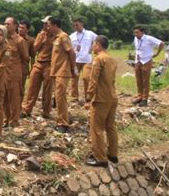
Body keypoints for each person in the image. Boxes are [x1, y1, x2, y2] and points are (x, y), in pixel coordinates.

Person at [84, 35, 118, 167]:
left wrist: (88, 98)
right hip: (112, 97)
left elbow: (94, 80)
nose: (92, 47)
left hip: (101, 98)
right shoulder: (112, 59)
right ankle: (113, 154)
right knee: (110, 127)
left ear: (98, 45)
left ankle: (100, 158)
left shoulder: (98, 59)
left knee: (96, 128)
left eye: (94, 44)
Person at [47, 17, 77, 133]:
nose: (48, 27)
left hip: (62, 71)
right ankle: (60, 120)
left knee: (60, 97)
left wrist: (73, 68)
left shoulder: (63, 37)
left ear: (55, 25)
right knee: (58, 97)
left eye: (49, 25)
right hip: (56, 71)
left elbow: (72, 53)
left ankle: (63, 123)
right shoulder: (56, 38)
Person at [22, 16, 55, 118]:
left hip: (49, 64)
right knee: (32, 87)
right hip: (39, 62)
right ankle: (27, 109)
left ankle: (46, 112)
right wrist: (41, 38)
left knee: (47, 90)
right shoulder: (40, 34)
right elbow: (35, 49)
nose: (44, 26)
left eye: (46, 24)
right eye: (44, 24)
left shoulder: (57, 36)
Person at [3, 17, 29, 127]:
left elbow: (25, 57)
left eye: (8, 24)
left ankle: (14, 121)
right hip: (2, 74)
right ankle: (6, 119)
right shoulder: (2, 39)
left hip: (14, 74)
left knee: (14, 98)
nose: (6, 26)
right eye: (5, 24)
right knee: (4, 98)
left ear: (15, 26)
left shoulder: (19, 41)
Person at [131, 26, 164, 107]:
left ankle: (145, 99)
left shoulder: (149, 38)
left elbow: (161, 43)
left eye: (137, 32)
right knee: (138, 80)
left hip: (146, 61)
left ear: (142, 32)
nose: (135, 34)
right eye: (134, 32)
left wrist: (157, 53)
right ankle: (139, 96)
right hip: (138, 61)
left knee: (145, 80)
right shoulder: (136, 39)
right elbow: (137, 49)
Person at [69, 18, 97, 103]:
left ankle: (88, 97)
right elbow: (69, 47)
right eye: (74, 25)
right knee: (74, 78)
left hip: (87, 60)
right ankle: (74, 97)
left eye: (77, 25)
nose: (75, 27)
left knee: (86, 78)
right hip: (76, 60)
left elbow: (98, 40)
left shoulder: (90, 34)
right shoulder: (72, 36)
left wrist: (92, 48)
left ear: (82, 24)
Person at [18, 20, 36, 102]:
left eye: (22, 28)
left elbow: (33, 56)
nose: (20, 29)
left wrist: (32, 69)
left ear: (27, 30)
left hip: (23, 68)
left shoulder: (31, 41)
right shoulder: (12, 38)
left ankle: (19, 107)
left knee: (21, 88)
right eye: (19, 27)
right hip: (11, 67)